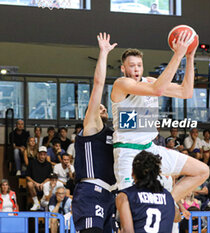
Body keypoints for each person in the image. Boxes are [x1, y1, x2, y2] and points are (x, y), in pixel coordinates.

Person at [111, 32, 208, 202]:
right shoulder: (121, 84)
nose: (136, 69)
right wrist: (178, 54)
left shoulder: (150, 81)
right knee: (130, 205)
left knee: (202, 171)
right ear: (123, 68)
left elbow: (186, 92)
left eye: (139, 65)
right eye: (131, 65)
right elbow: (157, 90)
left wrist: (190, 56)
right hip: (128, 152)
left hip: (150, 149)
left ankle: (169, 205)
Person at [72, 33, 117, 233]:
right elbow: (98, 84)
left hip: (111, 195)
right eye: (97, 107)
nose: (102, 107)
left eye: (103, 107)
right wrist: (104, 53)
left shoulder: (113, 133)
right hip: (91, 191)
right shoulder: (91, 126)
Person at [116, 151, 177, 233]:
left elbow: (128, 231)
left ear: (133, 172)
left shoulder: (124, 196)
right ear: (157, 173)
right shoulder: (168, 196)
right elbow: (177, 217)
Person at [26, 146, 53, 211]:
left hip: (45, 185)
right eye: (41, 154)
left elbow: (50, 177)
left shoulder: (49, 165)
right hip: (35, 185)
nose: (42, 156)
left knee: (51, 184)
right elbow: (27, 176)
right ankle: (36, 203)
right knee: (29, 184)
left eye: (44, 154)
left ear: (46, 155)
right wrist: (36, 183)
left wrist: (43, 183)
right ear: (38, 154)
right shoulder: (32, 163)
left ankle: (45, 205)